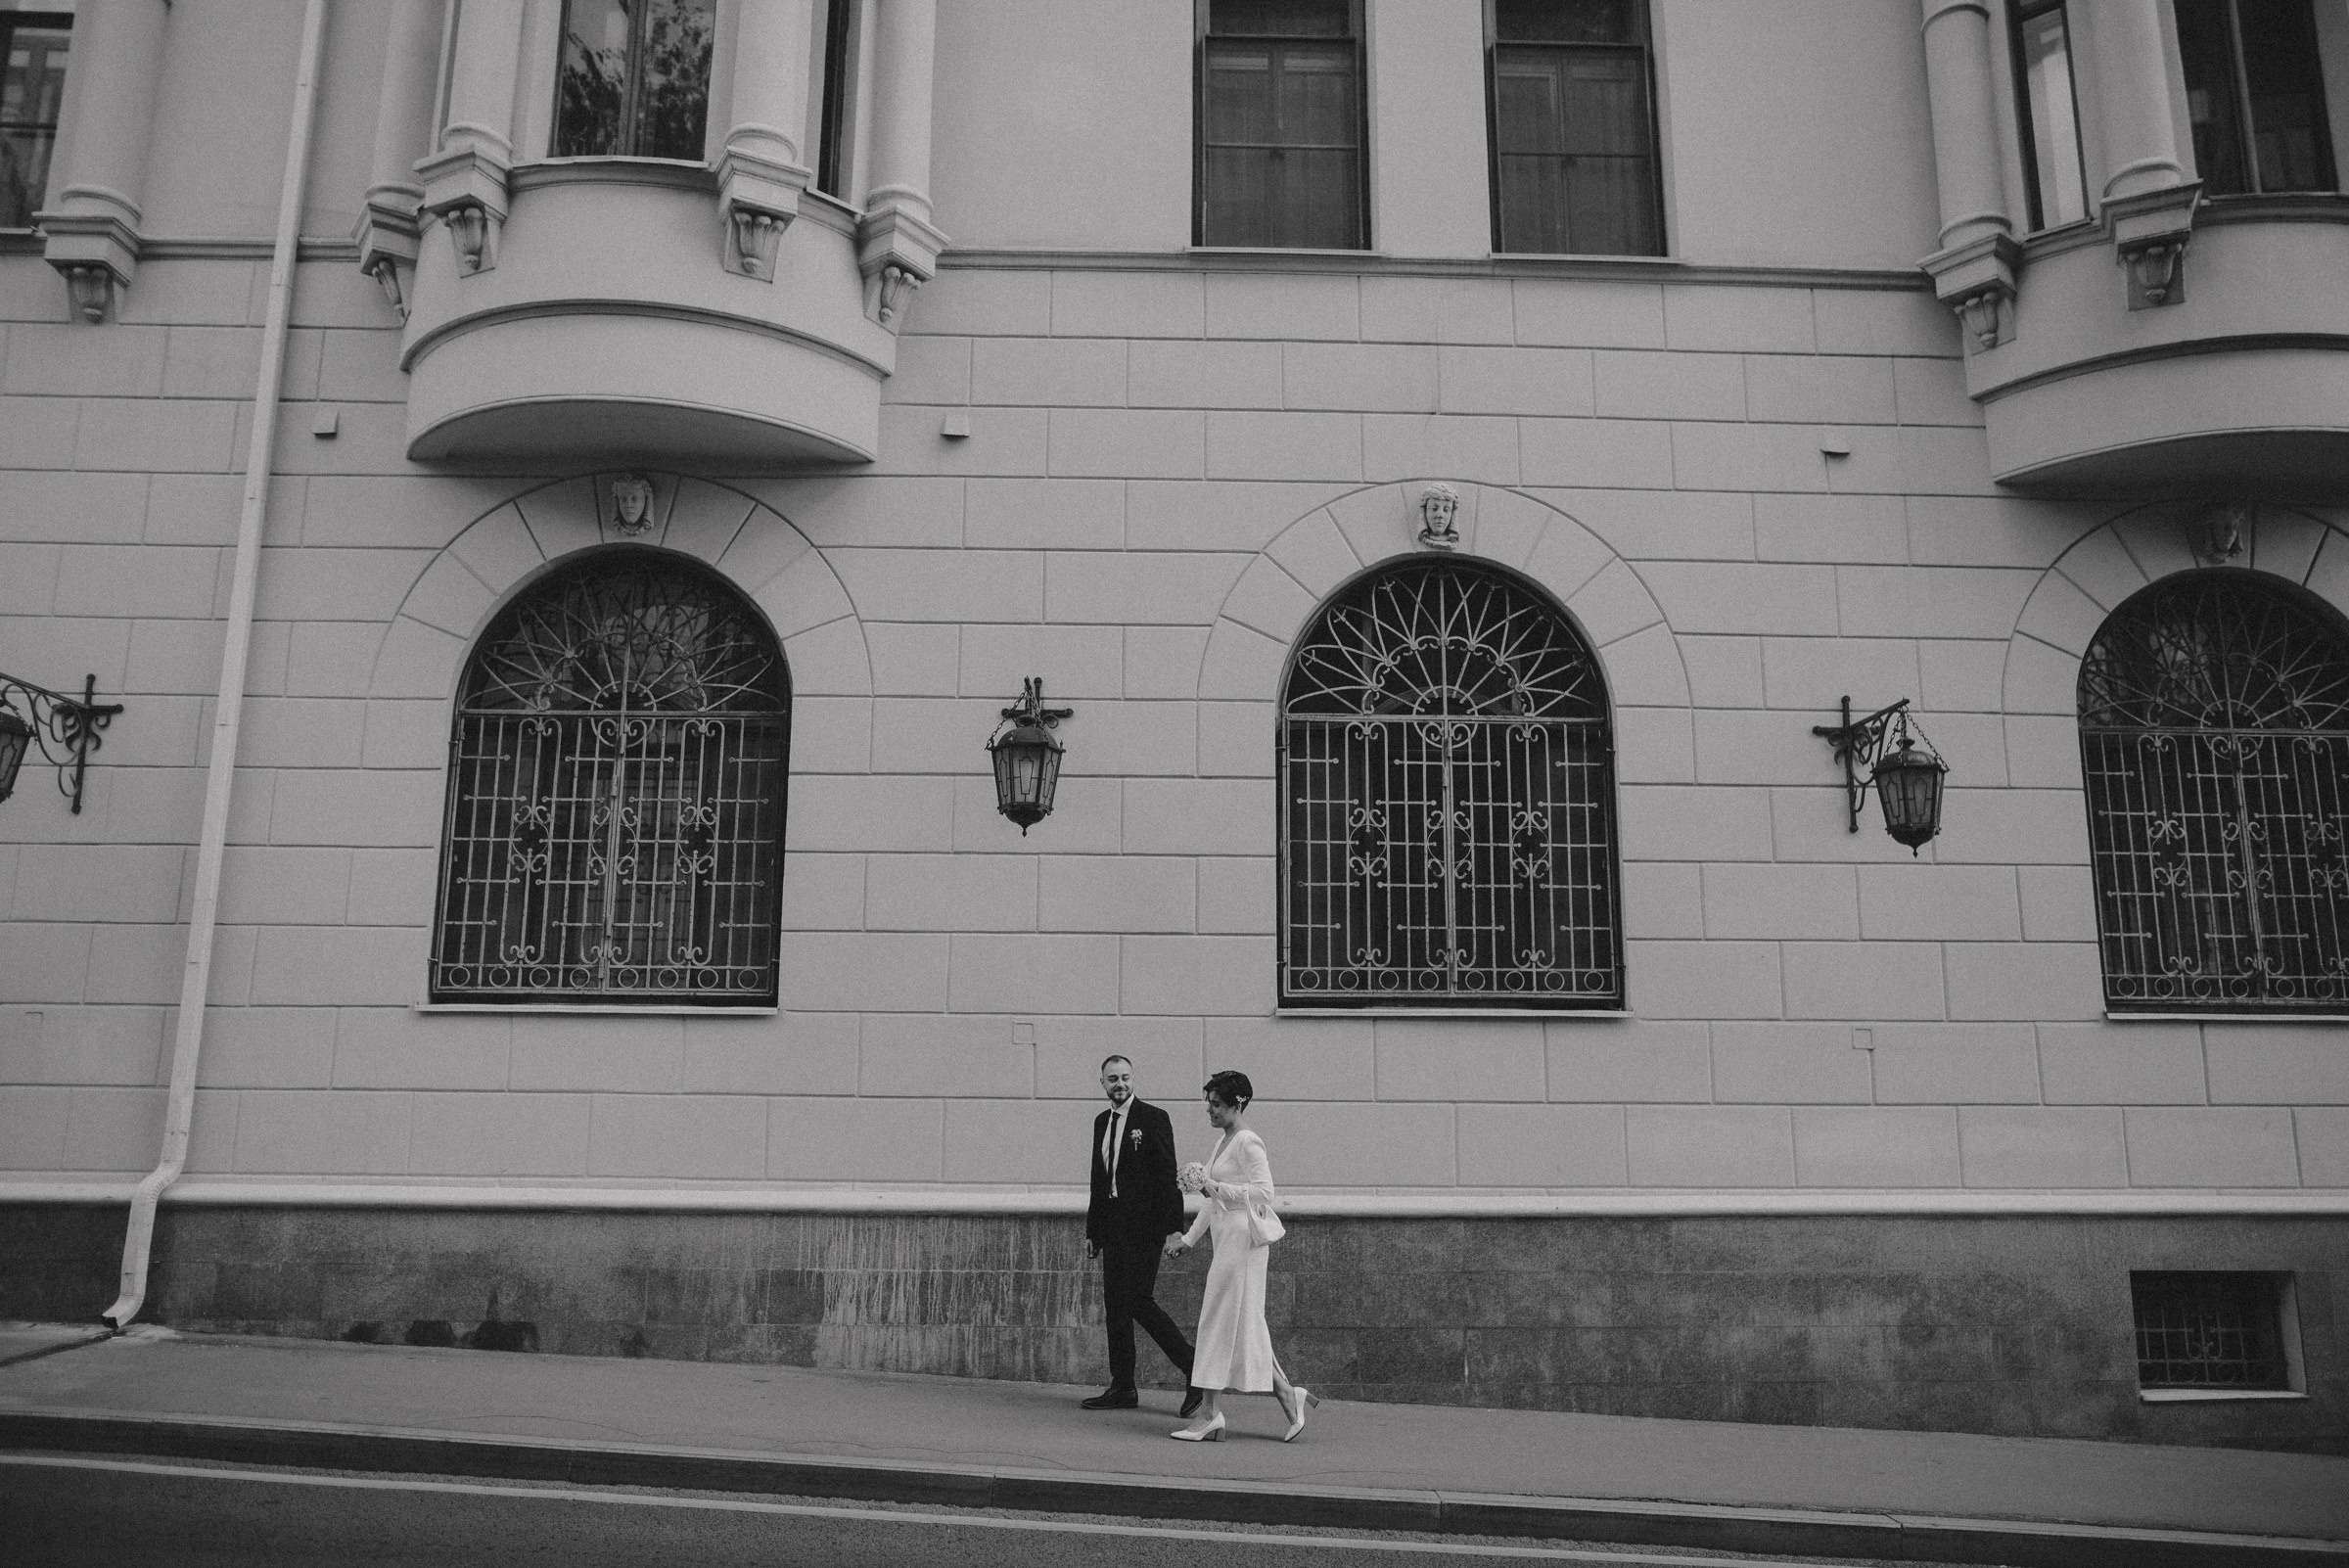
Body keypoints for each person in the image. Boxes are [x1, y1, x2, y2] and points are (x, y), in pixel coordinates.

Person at [1164, 1070, 1316, 1442]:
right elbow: (1212, 1203)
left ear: (1238, 1104)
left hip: (1243, 1243)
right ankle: (1286, 1393)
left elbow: (1265, 1193)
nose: (1210, 1111)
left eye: (1216, 1105)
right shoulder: (1223, 1142)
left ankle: (1209, 1413)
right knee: (1244, 1325)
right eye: (1209, 1104)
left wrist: (1213, 1184)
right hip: (1226, 1239)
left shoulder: (1248, 1142)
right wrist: (1189, 1238)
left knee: (1216, 1321)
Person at [1082, 1054, 1201, 1417]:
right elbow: (1099, 1180)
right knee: (1116, 1306)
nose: (1120, 1084)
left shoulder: (1153, 1119)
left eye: (1126, 1077)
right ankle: (1123, 1386)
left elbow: (1166, 1174)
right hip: (1114, 1226)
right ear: (1102, 1084)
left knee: (1138, 1300)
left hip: (1146, 1227)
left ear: (1135, 1080)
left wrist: (1174, 1228)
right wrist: (1093, 1230)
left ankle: (1194, 1370)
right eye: (1112, 1079)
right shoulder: (1102, 1122)